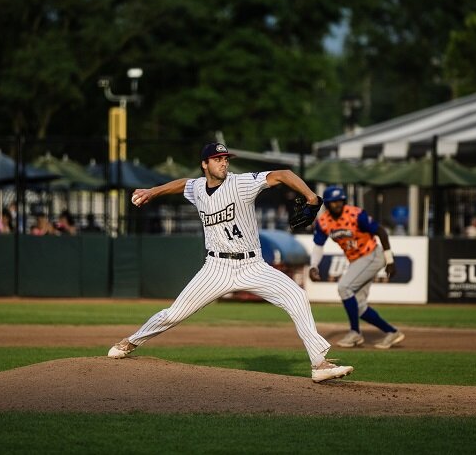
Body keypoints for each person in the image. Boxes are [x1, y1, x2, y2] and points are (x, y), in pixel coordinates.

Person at [107, 142, 354, 383]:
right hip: (216, 267)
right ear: (204, 164)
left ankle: (319, 364)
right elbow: (183, 184)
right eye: (217, 159)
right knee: (173, 314)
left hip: (252, 265)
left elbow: (284, 174)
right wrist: (152, 191)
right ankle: (130, 342)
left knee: (297, 297)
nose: (223, 163)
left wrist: (311, 197)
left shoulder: (241, 183)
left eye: (226, 159)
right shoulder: (197, 188)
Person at [309, 186, 404, 350]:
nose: (337, 205)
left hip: (372, 255)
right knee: (359, 306)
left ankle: (355, 332)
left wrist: (390, 260)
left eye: (340, 201)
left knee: (344, 287)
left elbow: (381, 232)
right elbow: (318, 245)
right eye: (333, 202)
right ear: (327, 204)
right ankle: (392, 332)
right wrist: (313, 266)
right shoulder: (324, 222)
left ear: (344, 201)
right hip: (356, 260)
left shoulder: (356, 214)